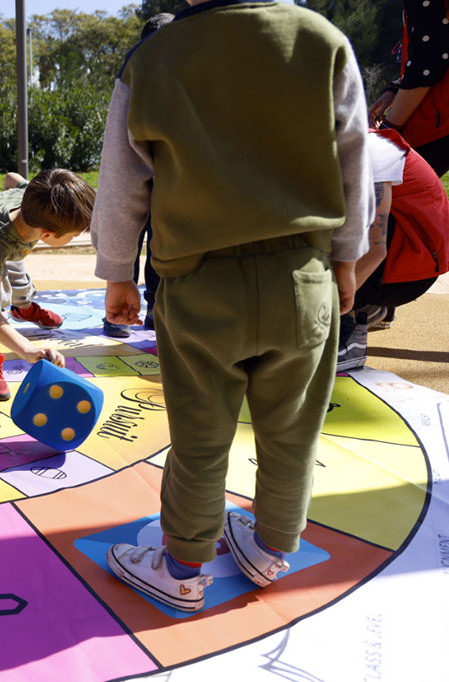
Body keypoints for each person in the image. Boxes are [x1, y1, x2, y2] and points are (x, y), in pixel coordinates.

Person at [91, 0, 372, 612]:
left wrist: (117, 273)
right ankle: (272, 550)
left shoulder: (152, 59)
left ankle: (183, 570)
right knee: (293, 429)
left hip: (198, 286)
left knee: (200, 434)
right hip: (303, 276)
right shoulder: (322, 40)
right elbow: (353, 153)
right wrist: (348, 257)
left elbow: (121, 182)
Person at [0, 169, 95, 401]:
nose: (74, 238)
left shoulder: (34, 196)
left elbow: (12, 177)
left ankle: (23, 308)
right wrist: (26, 349)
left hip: (4, 236)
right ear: (47, 235)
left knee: (17, 273)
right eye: (73, 235)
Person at [337, 128, 449, 371]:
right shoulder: (341, 141)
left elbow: (375, 249)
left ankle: (344, 334)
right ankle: (366, 307)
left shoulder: (365, 150)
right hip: (404, 263)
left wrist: (324, 307)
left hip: (407, 274)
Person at [367, 0, 449, 328]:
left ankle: (371, 304)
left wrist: (391, 130)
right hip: (437, 112)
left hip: (438, 117)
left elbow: (428, 65)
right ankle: (377, 304)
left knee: (391, 199)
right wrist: (392, 90)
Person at [103, 12, 173, 339]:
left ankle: (153, 308)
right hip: (149, 184)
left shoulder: (141, 71)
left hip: (163, 187)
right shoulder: (140, 74)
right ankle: (130, 311)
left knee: (155, 248)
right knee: (134, 244)